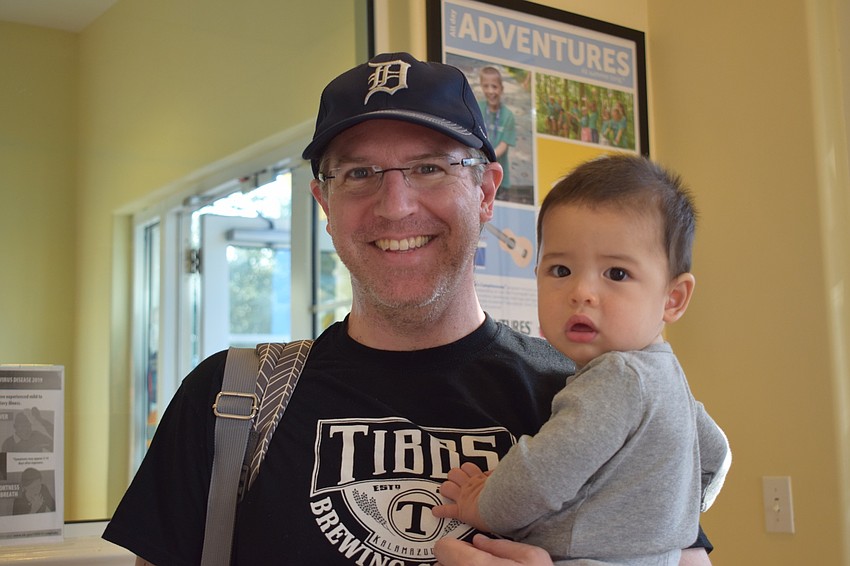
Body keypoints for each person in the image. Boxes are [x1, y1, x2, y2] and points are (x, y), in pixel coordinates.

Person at [102, 52, 715, 566]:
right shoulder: (227, 400)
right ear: (324, 201)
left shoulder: (589, 391)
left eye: (429, 167)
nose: (395, 207)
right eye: (359, 173)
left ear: (486, 191)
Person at [432, 155, 730, 564]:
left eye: (617, 274)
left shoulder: (616, 377)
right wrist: (667, 511)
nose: (582, 292)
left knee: (449, 551)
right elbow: (716, 452)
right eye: (560, 270)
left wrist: (480, 506)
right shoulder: (667, 375)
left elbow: (540, 475)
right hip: (660, 556)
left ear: (672, 298)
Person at [478, 66, 516, 189]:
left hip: (499, 177)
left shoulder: (508, 116)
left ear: (501, 89)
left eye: (494, 86)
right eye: (486, 86)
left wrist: (486, 159)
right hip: (479, 173)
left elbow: (503, 146)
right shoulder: (477, 109)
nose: (490, 91)